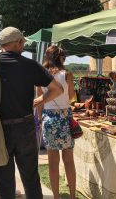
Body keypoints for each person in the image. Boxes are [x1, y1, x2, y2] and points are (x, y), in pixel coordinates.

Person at [0, 27, 63, 199]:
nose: (23, 46)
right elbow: (57, 89)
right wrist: (39, 101)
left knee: (4, 183)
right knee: (31, 179)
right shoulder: (30, 65)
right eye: (22, 42)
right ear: (17, 43)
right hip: (25, 127)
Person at [37, 45, 76, 199]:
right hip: (65, 117)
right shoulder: (67, 74)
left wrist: (39, 119)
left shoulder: (41, 75)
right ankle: (72, 196)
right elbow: (72, 96)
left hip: (49, 119)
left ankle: (56, 196)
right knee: (69, 160)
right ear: (61, 58)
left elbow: (39, 101)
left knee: (53, 163)